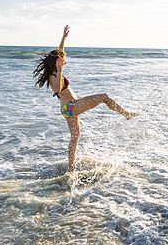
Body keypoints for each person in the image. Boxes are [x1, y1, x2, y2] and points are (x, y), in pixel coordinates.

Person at [33, 25, 140, 170]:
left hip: (67, 108)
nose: (64, 60)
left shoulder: (55, 69)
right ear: (56, 63)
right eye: (61, 59)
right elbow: (57, 89)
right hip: (71, 106)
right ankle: (126, 114)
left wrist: (63, 37)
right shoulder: (53, 75)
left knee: (75, 138)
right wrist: (59, 70)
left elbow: (60, 52)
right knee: (104, 97)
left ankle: (71, 167)